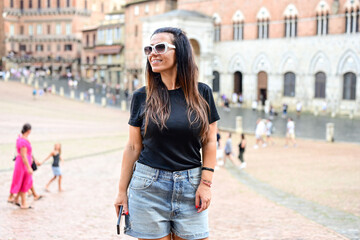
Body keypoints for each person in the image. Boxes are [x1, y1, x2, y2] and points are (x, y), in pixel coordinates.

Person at [114, 27, 220, 240]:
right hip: (148, 188)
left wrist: (206, 184)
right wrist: (121, 192)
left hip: (191, 186)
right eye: (149, 48)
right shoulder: (141, 96)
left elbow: (209, 141)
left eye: (160, 47)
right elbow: (133, 147)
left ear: (180, 51)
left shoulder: (203, 93)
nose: (153, 53)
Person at [8, 124, 34, 209]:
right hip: (23, 164)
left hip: (23, 163)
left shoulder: (21, 139)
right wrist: (29, 167)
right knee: (25, 181)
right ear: (29, 130)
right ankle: (23, 203)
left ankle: (18, 200)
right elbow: (23, 155)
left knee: (23, 181)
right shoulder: (23, 141)